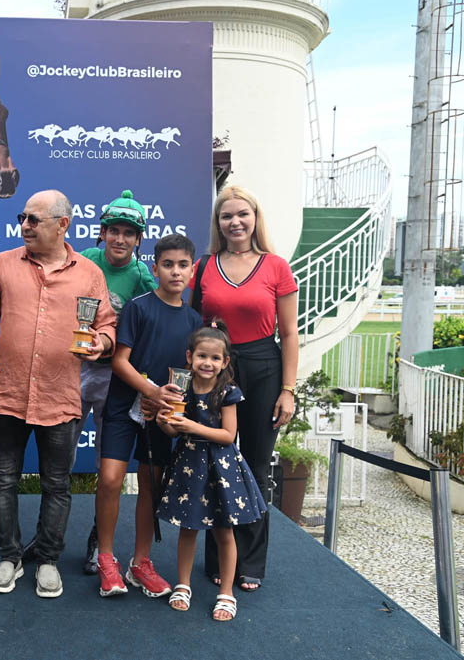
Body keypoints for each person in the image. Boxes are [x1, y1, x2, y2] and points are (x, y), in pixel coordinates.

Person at [0, 190, 116, 598]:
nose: (24, 226)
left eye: (33, 219)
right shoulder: (1, 264)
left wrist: (102, 343)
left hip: (61, 398)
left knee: (57, 485)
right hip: (8, 394)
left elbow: (106, 324)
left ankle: (48, 561)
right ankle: (9, 557)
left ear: (63, 225)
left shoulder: (89, 274)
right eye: (22, 218)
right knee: (2, 481)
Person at [20, 189, 157, 575]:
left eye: (128, 233)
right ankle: (47, 536)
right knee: (59, 459)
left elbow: (151, 326)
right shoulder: (82, 261)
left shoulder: (143, 277)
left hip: (117, 377)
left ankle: (99, 541)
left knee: (107, 466)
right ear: (102, 232)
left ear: (138, 239)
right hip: (75, 371)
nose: (120, 239)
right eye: (113, 231)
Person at [191, 185, 299, 591]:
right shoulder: (204, 266)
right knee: (216, 464)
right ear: (218, 223)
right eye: (226, 216)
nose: (235, 222)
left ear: (255, 218)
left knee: (255, 466)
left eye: (242, 214)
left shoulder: (276, 266)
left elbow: (290, 333)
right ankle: (219, 560)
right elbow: (193, 326)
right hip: (215, 369)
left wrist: (288, 389)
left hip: (264, 368)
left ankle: (250, 563)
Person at [93, 234, 199, 599]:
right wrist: (151, 391)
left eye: (182, 265)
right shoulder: (138, 308)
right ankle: (106, 559)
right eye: (167, 265)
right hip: (124, 406)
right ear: (154, 269)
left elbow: (189, 376)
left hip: (163, 414)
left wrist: (167, 404)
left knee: (151, 485)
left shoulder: (195, 321)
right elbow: (120, 362)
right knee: (110, 479)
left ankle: (140, 562)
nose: (175, 272)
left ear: (192, 271)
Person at [155, 321, 267, 621]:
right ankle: (183, 584)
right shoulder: (182, 388)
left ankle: (226, 592)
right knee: (188, 528)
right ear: (189, 357)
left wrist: (191, 426)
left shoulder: (227, 392)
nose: (208, 363)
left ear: (225, 361)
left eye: (215, 358)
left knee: (224, 531)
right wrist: (164, 421)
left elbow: (228, 435)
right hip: (190, 466)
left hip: (221, 469)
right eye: (202, 356)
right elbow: (173, 432)